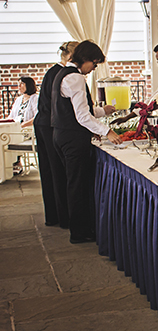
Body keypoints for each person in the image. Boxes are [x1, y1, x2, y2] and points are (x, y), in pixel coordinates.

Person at [51, 40, 122, 244]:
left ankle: (79, 228)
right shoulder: (75, 78)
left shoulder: (62, 73)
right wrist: (107, 131)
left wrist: (101, 113)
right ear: (85, 59)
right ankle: (80, 232)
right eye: (94, 63)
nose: (94, 68)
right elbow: (82, 117)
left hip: (61, 135)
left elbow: (77, 110)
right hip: (72, 139)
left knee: (74, 183)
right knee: (78, 186)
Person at [33, 41, 78, 228]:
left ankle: (53, 215)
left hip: (42, 123)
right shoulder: (64, 74)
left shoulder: (52, 71)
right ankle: (64, 218)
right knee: (58, 171)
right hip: (51, 125)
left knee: (48, 171)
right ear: (71, 57)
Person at [7, 76, 39, 174]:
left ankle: (16, 162)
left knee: (10, 137)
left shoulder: (35, 98)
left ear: (28, 85)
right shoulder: (18, 100)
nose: (19, 86)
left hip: (28, 130)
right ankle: (6, 166)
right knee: (4, 137)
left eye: (22, 84)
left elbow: (37, 116)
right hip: (16, 128)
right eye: (18, 84)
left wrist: (24, 124)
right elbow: (11, 116)